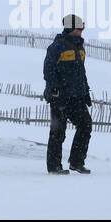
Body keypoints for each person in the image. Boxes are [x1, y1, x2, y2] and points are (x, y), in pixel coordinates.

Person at [43, 14, 92, 175]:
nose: (82, 31)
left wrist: (85, 92)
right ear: (71, 29)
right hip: (60, 97)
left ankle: (76, 162)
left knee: (85, 125)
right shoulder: (57, 47)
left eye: (82, 27)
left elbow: (81, 73)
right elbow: (48, 71)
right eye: (79, 28)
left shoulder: (80, 48)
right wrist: (55, 89)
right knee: (58, 131)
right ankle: (54, 166)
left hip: (77, 96)